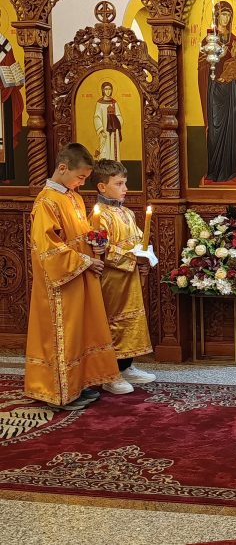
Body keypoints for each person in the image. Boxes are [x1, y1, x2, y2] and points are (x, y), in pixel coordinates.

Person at [24, 143, 119, 410]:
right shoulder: (46, 201)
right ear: (63, 168)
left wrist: (96, 243)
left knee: (80, 332)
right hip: (60, 282)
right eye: (80, 177)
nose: (82, 183)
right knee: (63, 333)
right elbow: (48, 248)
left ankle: (78, 384)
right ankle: (59, 392)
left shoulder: (73, 197)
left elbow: (82, 232)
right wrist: (86, 260)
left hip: (79, 275)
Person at [90, 160, 156, 394]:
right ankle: (110, 374)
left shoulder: (127, 212)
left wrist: (145, 257)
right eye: (119, 184)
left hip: (131, 278)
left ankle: (126, 366)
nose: (125, 189)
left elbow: (140, 240)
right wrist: (133, 258)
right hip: (112, 280)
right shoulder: (100, 215)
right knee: (114, 322)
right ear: (102, 186)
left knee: (131, 321)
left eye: (125, 183)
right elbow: (104, 250)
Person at [198, 1, 236, 183]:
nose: (226, 18)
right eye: (223, 14)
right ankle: (214, 171)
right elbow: (201, 68)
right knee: (215, 130)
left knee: (232, 129)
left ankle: (231, 171)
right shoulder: (207, 42)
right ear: (216, 16)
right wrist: (214, 59)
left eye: (229, 14)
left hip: (232, 91)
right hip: (214, 91)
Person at [0, 29, 24, 183]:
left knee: (4, 135)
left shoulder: (5, 44)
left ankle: (4, 174)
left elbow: (13, 73)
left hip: (3, 98)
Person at [94, 81, 123, 161]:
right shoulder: (100, 103)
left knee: (114, 148)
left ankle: (114, 164)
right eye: (106, 89)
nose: (108, 91)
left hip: (114, 130)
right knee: (105, 148)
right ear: (103, 90)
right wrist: (101, 130)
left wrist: (116, 123)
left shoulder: (114, 103)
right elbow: (97, 117)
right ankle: (104, 165)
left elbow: (119, 115)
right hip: (104, 130)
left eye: (109, 89)